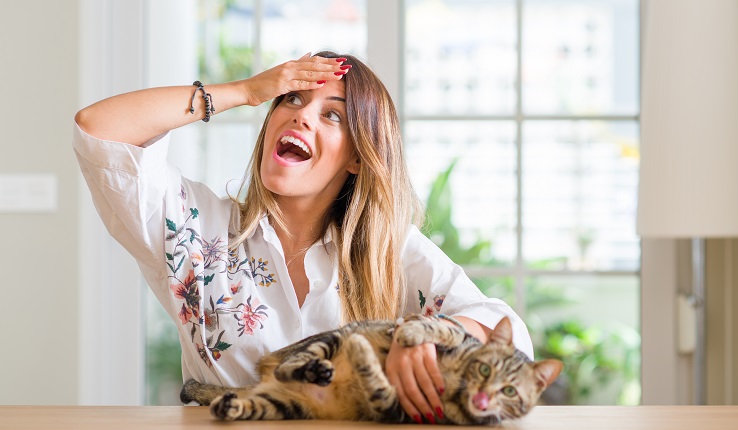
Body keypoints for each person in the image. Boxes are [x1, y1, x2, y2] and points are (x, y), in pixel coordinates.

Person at [73, 51, 533, 423]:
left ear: (358, 158)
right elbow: (101, 129)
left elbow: (508, 335)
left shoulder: (387, 249)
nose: (302, 117)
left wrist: (438, 337)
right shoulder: (196, 226)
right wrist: (245, 91)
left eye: (332, 116)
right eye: (292, 99)